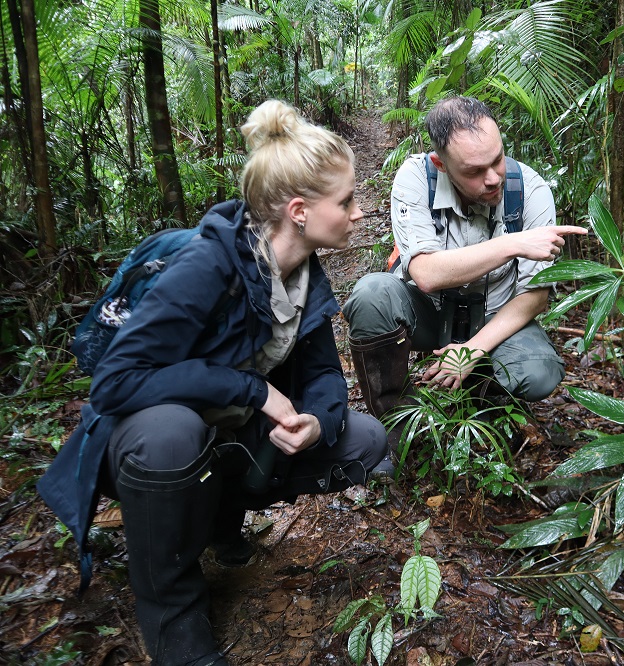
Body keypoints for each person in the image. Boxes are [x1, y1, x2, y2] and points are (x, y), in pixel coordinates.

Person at [38, 100, 387, 666]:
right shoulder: (209, 265)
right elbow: (116, 383)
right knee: (171, 434)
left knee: (362, 439)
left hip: (227, 435)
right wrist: (250, 390)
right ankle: (172, 612)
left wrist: (317, 420)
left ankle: (221, 519)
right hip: (146, 438)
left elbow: (323, 370)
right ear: (299, 211)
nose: (357, 212)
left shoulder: (305, 277)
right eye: (346, 201)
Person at [343, 96, 587, 471]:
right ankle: (393, 427)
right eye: (474, 171)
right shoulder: (415, 178)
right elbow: (425, 273)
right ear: (441, 165)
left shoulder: (531, 191)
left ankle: (486, 401)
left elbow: (535, 296)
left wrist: (471, 350)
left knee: (538, 372)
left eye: (497, 159)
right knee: (371, 295)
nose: (492, 178)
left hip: (495, 318)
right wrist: (513, 243)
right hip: (429, 312)